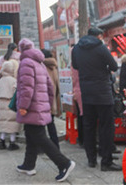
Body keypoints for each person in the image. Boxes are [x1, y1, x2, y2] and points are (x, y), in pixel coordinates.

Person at [15, 39, 75, 182]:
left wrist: (23, 106)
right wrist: (47, 104)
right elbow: (50, 87)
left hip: (31, 106)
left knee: (39, 137)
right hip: (40, 106)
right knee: (31, 134)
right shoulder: (39, 63)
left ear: (21, 49)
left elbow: (26, 88)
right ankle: (28, 164)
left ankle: (64, 163)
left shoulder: (26, 63)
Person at [71, 27, 121, 171]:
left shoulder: (76, 49)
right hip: (103, 93)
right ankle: (106, 161)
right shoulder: (100, 47)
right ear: (99, 36)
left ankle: (91, 159)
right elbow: (113, 66)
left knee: (89, 127)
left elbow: (75, 65)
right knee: (106, 127)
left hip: (86, 92)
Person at [0, 59, 21, 150]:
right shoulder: (13, 80)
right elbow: (16, 92)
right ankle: (12, 142)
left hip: (0, 103)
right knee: (12, 124)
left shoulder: (0, 80)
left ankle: (2, 141)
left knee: (4, 123)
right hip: (10, 103)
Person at [41, 48, 62, 148]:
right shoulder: (54, 67)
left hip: (43, 99)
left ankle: (42, 147)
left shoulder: (41, 66)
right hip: (52, 99)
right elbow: (57, 86)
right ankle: (55, 145)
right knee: (51, 124)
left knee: (41, 126)